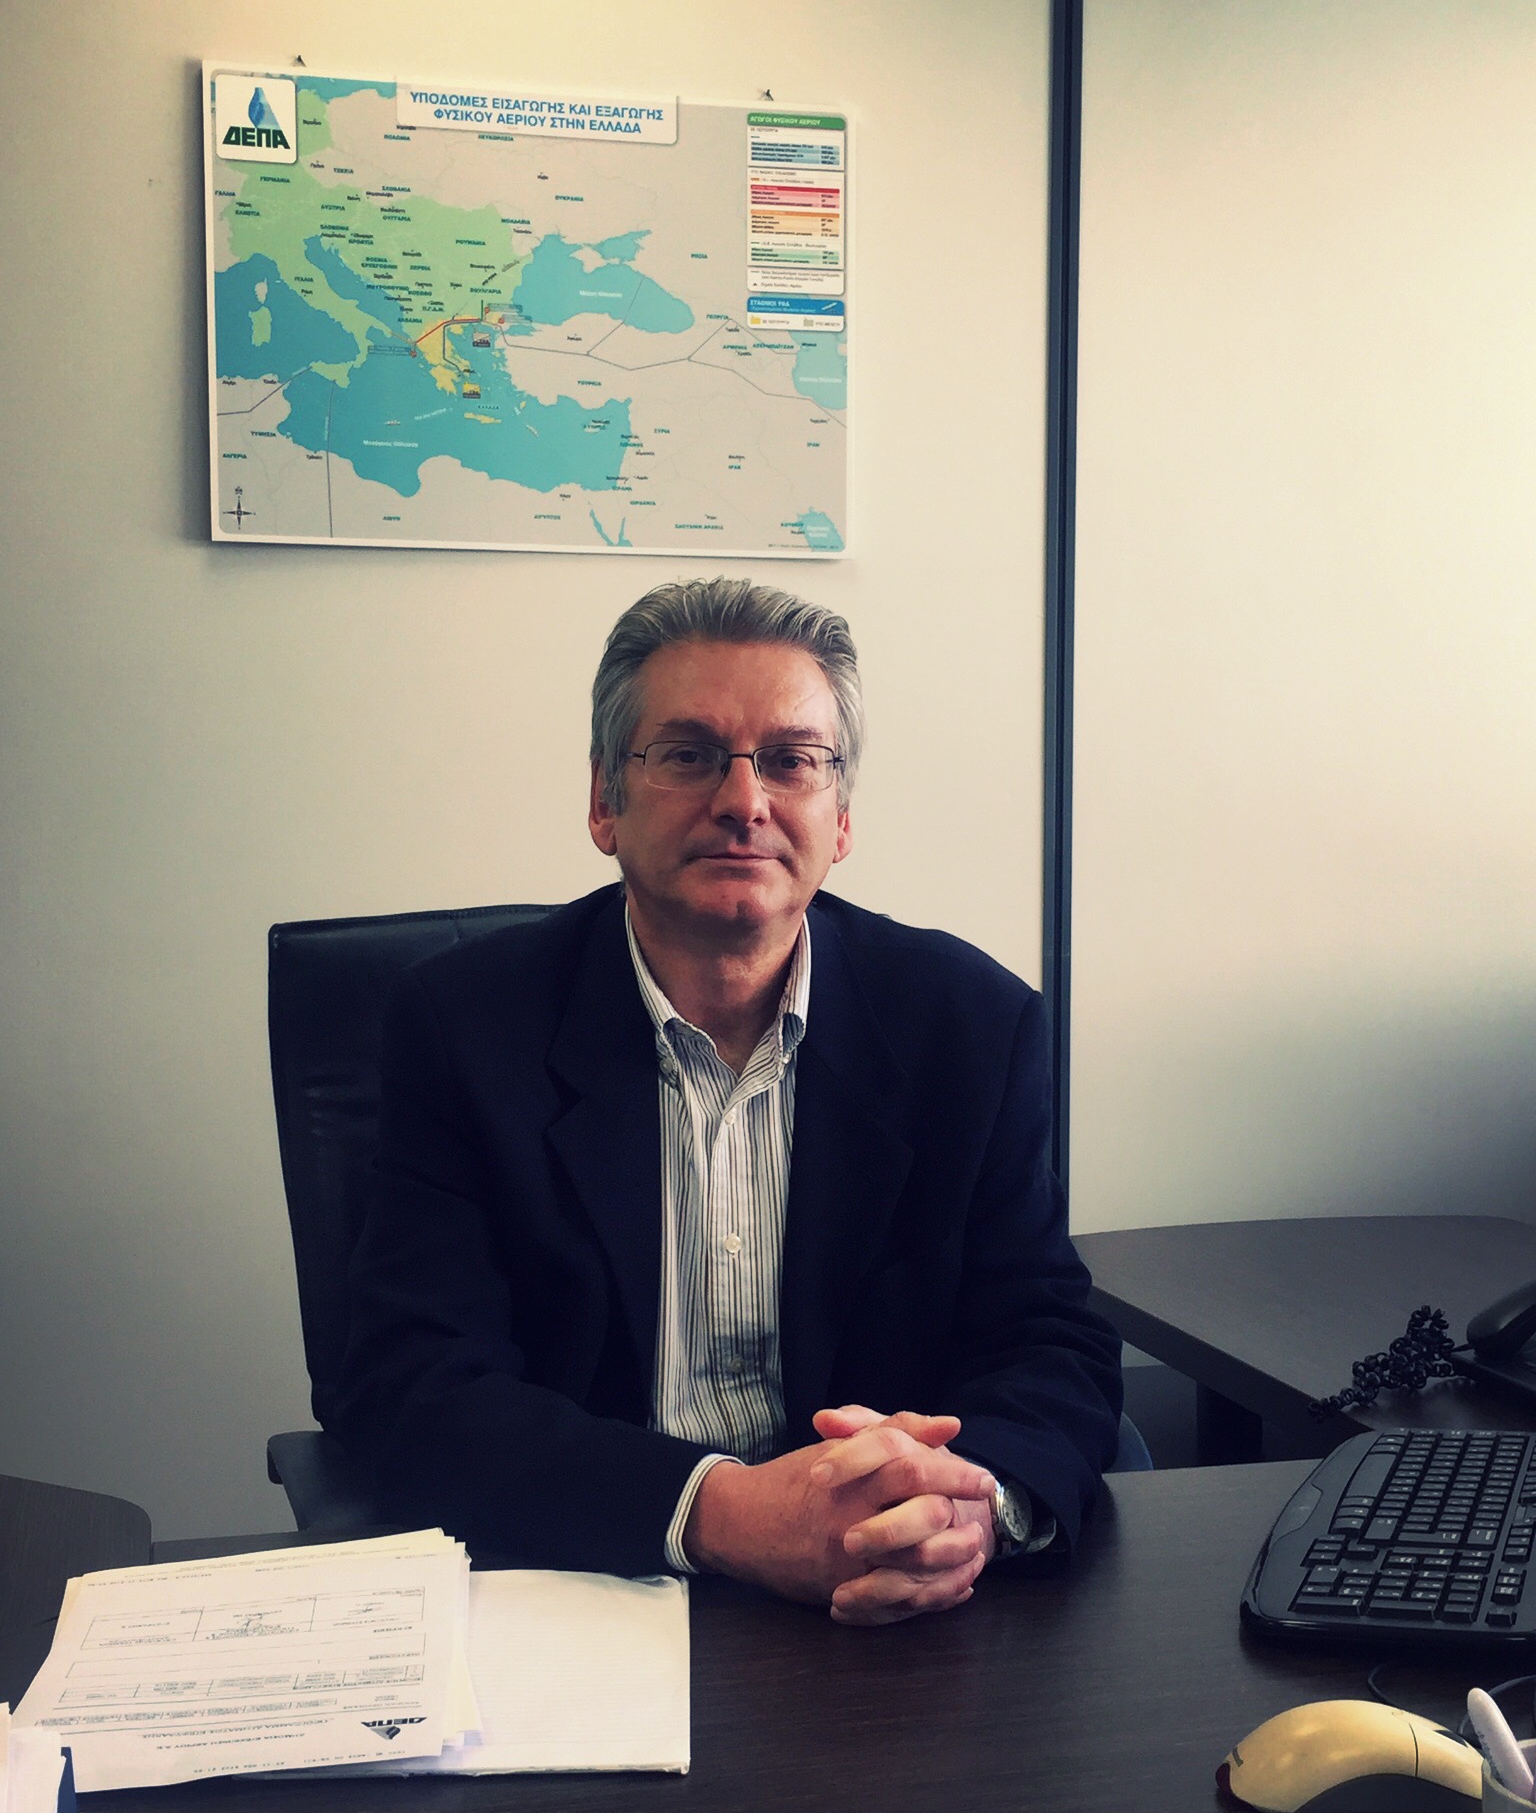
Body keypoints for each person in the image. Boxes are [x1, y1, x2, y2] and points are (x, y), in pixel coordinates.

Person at [324, 579, 1122, 1625]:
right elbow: (410, 1383)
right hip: (590, 1588)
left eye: (791, 760)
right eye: (691, 754)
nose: (745, 801)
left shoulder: (971, 1026)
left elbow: (1050, 1341)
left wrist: (972, 1504)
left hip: (887, 1607)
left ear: (841, 817)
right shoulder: (464, 1027)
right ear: (605, 800)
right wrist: (723, 1512)